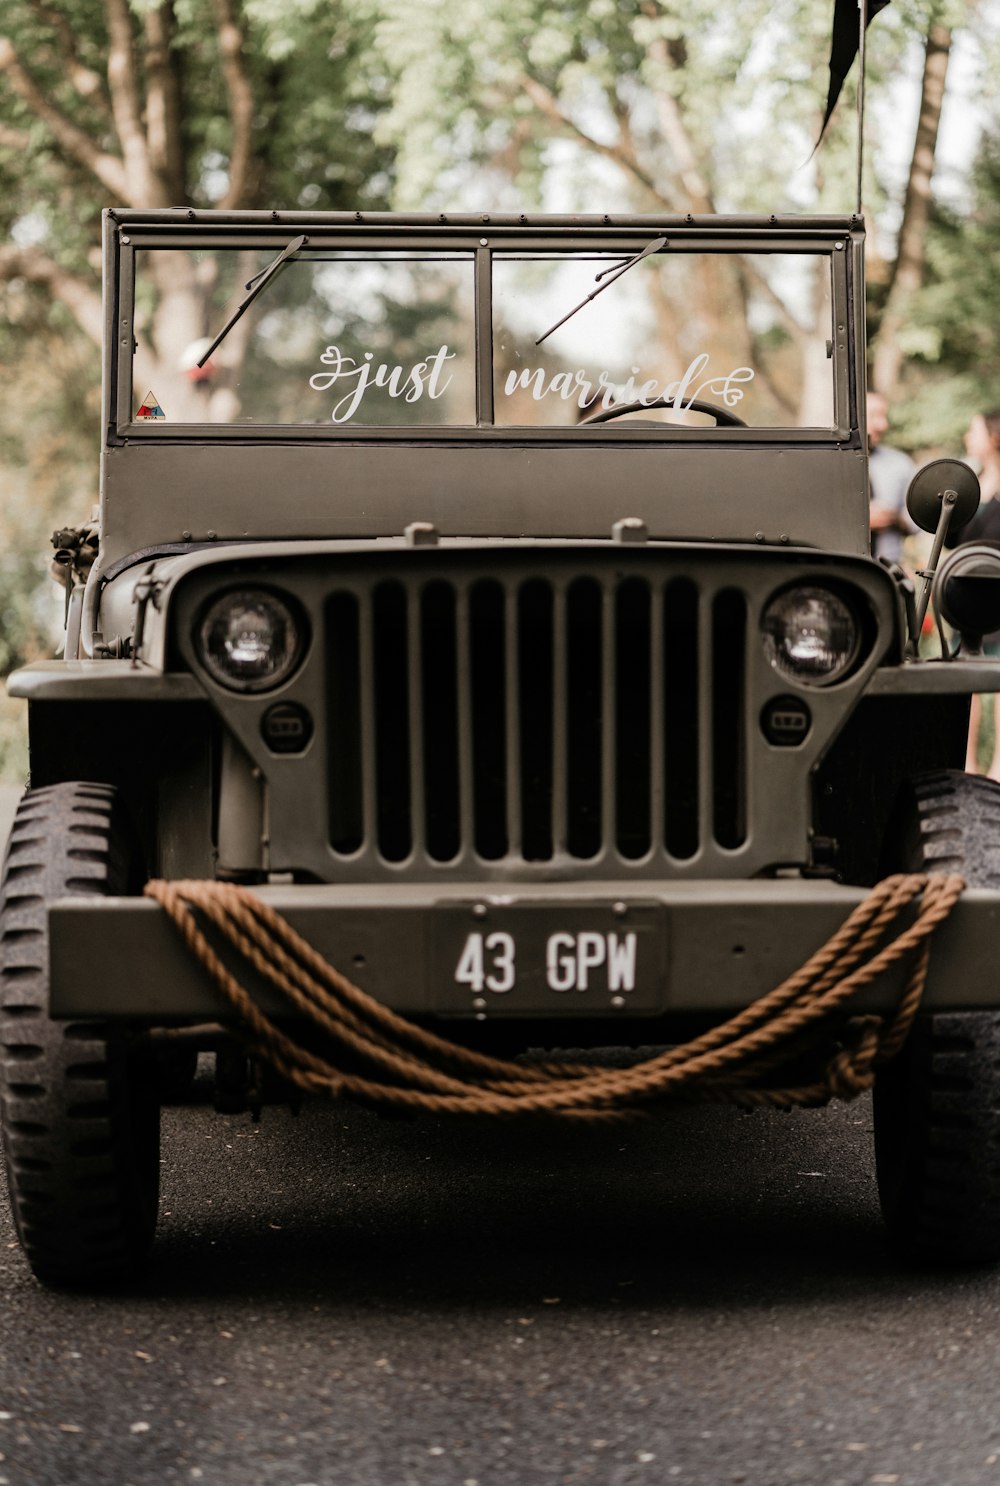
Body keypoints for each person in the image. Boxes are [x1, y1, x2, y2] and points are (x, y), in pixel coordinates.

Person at [955, 410, 1000, 776]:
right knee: (965, 681)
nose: (968, 437)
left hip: (998, 597)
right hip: (966, 597)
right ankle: (967, 766)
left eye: (974, 430)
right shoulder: (970, 484)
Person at [866, 391, 916, 564]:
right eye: (874, 416)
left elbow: (916, 522)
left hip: (890, 569)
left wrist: (895, 519)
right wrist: (860, 521)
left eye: (884, 416)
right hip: (845, 568)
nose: (883, 425)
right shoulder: (832, 464)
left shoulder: (901, 463)